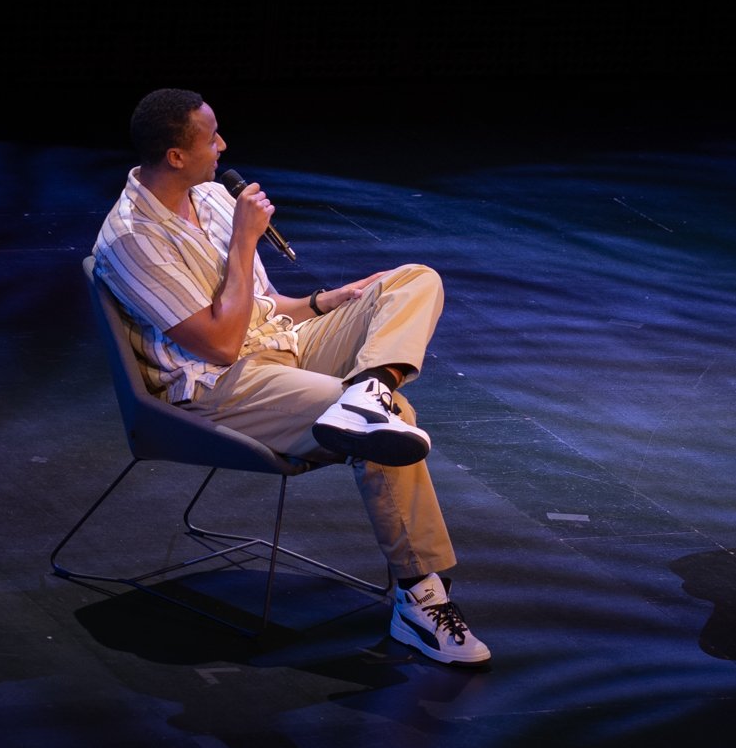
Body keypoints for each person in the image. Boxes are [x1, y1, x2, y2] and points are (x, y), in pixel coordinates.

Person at [91, 88, 490, 666]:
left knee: (411, 280)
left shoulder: (209, 198)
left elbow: (265, 304)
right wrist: (245, 238)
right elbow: (223, 345)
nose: (223, 146)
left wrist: (328, 302)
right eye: (211, 137)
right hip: (217, 387)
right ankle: (421, 601)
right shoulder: (132, 239)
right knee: (391, 426)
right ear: (175, 155)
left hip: (281, 346)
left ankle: (369, 390)